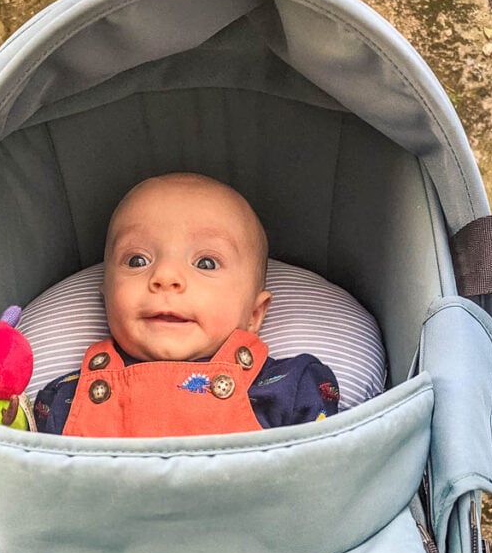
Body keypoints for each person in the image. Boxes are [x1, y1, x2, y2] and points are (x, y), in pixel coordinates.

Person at [34, 173, 339, 437]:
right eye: (137, 260)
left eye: (206, 263)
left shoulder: (290, 388)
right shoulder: (64, 399)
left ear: (254, 315)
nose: (165, 276)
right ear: (106, 298)